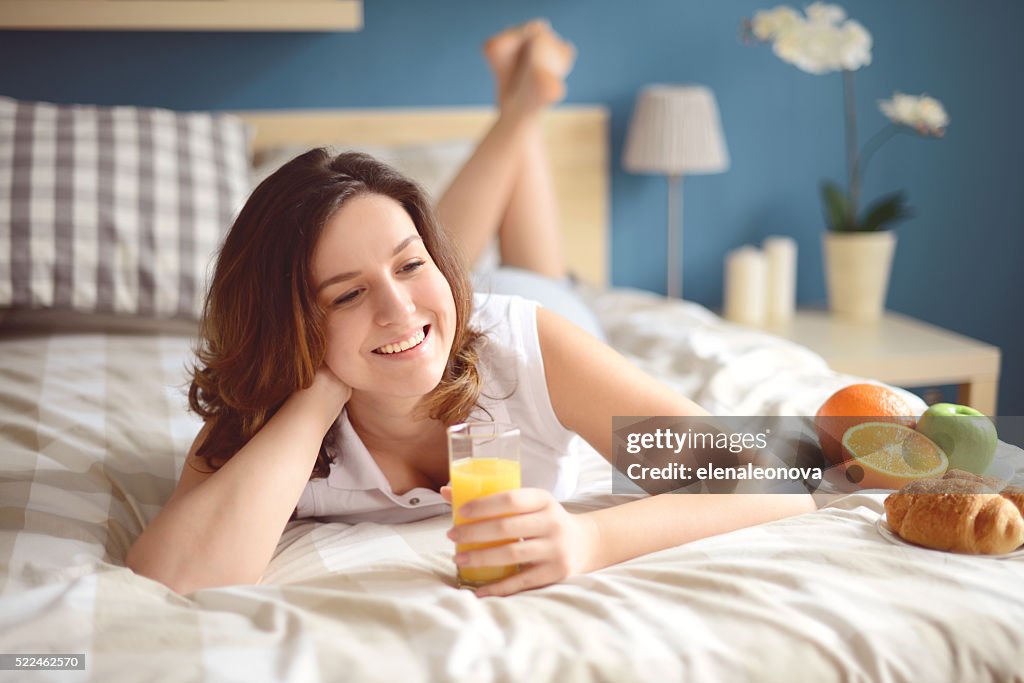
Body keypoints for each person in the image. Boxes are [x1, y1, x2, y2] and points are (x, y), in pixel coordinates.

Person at [126, 21, 815, 597]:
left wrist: (590, 537)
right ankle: (520, 104)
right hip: (435, 314)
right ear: (293, 325)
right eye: (345, 293)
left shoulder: (530, 345)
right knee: (412, 291)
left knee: (506, 279)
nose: (395, 307)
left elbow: (770, 481)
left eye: (410, 263)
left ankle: (519, 111)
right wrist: (319, 391)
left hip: (524, 306)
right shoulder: (263, 407)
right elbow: (173, 573)